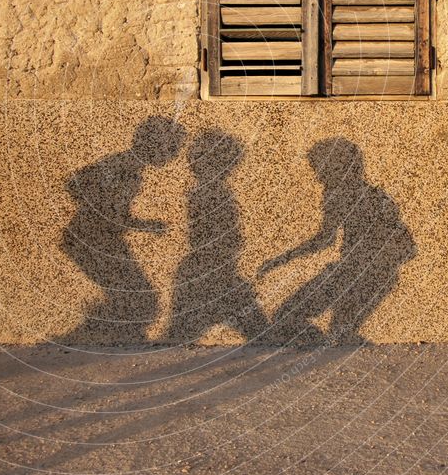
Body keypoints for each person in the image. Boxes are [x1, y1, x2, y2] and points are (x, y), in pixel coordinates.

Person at [259, 138, 415, 344]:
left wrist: (281, 259)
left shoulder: (339, 194)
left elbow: (324, 240)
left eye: (318, 168)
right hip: (378, 276)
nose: (317, 176)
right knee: (340, 336)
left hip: (353, 274)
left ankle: (323, 349)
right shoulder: (375, 194)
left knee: (287, 317)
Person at [61, 116, 186, 342]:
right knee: (141, 297)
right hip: (88, 238)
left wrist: (142, 224)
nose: (174, 155)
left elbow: (116, 214)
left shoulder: (131, 168)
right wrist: (96, 211)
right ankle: (93, 336)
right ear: (155, 145)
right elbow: (73, 183)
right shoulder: (125, 167)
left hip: (100, 238)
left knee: (133, 295)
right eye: (173, 147)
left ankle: (106, 336)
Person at [167, 130, 268, 342]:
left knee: (184, 324)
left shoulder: (207, 191)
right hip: (214, 266)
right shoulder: (213, 193)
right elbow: (205, 235)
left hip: (212, 266)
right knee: (250, 317)